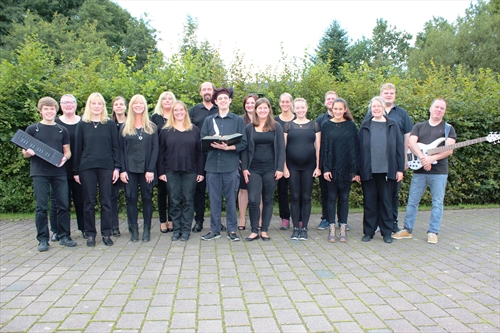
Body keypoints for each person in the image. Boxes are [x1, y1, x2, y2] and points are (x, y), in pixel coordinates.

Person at [393, 98, 456, 244]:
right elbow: (411, 143)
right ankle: (407, 230)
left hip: (439, 172)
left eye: (442, 108)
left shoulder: (448, 129)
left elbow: (449, 150)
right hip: (420, 171)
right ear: (430, 108)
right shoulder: (419, 126)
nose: (439, 110)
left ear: (444, 111)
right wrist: (423, 158)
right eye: (436, 107)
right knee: (412, 201)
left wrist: (431, 158)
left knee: (437, 202)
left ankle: (433, 232)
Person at [22, 97, 76, 252]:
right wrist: (28, 152)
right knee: (41, 207)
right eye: (46, 109)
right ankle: (43, 239)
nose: (49, 111)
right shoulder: (33, 129)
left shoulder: (62, 130)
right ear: (40, 111)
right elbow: (24, 152)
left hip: (59, 171)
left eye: (52, 109)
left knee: (64, 204)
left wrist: (65, 158)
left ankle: (64, 235)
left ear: (56, 110)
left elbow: (67, 151)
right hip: (39, 172)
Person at [364, 83, 413, 233]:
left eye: (391, 93)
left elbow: (406, 138)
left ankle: (392, 223)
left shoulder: (401, 114)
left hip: (392, 164)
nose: (389, 95)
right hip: (373, 166)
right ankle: (376, 225)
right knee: (374, 197)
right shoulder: (369, 115)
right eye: (386, 93)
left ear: (395, 95)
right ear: (381, 94)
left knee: (392, 195)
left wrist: (403, 160)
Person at [73, 92, 120, 247]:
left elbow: (115, 147)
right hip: (87, 167)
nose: (97, 106)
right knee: (89, 201)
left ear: (103, 106)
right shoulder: (82, 124)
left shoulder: (109, 124)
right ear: (89, 105)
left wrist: (117, 167)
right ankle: (91, 234)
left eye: (99, 104)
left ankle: (106, 234)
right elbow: (78, 148)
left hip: (107, 167)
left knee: (106, 201)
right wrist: (76, 171)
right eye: (94, 103)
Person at [200, 87, 247, 241]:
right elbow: (202, 142)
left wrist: (229, 146)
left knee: (231, 199)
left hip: (230, 166)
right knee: (214, 199)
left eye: (225, 98)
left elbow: (244, 143)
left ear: (230, 101)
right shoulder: (209, 120)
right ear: (216, 101)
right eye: (220, 99)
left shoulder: (238, 120)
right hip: (212, 166)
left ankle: (232, 230)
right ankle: (215, 230)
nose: (223, 101)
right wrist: (211, 143)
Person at [359, 96, 404, 244]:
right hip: (369, 171)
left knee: (386, 202)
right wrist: (358, 171)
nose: (376, 109)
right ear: (371, 109)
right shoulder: (365, 125)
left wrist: (399, 169)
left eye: (379, 106)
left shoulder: (393, 125)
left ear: (384, 107)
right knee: (370, 203)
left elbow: (399, 148)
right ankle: (369, 232)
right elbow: (359, 150)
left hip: (387, 171)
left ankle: (387, 233)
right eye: (374, 107)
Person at [158, 101, 205, 241]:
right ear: (172, 113)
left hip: (190, 171)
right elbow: (160, 153)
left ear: (185, 111)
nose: (179, 112)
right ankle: (176, 230)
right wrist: (161, 172)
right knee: (174, 200)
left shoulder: (194, 130)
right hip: (171, 171)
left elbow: (200, 153)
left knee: (188, 200)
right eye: (175, 110)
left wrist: (200, 172)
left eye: (181, 110)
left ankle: (186, 230)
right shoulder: (165, 131)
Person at [242, 98, 285, 242]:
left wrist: (280, 168)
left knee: (268, 199)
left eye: (265, 108)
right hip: (253, 169)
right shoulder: (249, 128)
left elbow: (281, 149)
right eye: (259, 108)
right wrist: (244, 168)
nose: (262, 110)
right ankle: (254, 230)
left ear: (269, 110)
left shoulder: (276, 126)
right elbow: (245, 150)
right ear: (255, 110)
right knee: (253, 200)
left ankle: (265, 230)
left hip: (270, 169)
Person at [119, 94, 158, 242]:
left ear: (145, 106)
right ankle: (133, 230)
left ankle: (147, 230)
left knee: (147, 198)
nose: (138, 105)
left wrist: (151, 169)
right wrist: (122, 170)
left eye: (141, 103)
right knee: (131, 199)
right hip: (129, 170)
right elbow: (120, 150)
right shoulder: (124, 127)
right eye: (135, 103)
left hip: (147, 170)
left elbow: (156, 149)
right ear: (131, 106)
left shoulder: (151, 127)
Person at [320, 98, 360, 243]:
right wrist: (325, 168)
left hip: (346, 169)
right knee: (331, 198)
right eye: (335, 109)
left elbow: (355, 149)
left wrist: (355, 171)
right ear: (332, 109)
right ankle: (331, 228)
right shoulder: (326, 125)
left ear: (345, 110)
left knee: (344, 199)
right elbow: (324, 149)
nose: (337, 111)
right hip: (331, 169)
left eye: (340, 109)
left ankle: (342, 227)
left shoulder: (351, 126)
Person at [283, 98, 320, 241]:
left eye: (302, 107)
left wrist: (318, 167)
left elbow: (318, 148)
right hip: (292, 167)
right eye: (297, 108)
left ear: (306, 108)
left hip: (309, 167)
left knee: (306, 197)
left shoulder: (314, 125)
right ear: (294, 109)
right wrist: (284, 167)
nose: (300, 110)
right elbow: (284, 148)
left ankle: (304, 228)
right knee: (294, 197)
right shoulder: (288, 126)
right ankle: (295, 228)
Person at [49, 94, 84, 241]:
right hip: (58, 169)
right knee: (57, 201)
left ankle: (84, 228)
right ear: (60, 106)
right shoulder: (54, 123)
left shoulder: (83, 122)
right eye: (64, 103)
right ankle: (57, 230)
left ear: (76, 105)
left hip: (80, 169)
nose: (68, 105)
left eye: (71, 102)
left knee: (81, 200)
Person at [189, 82, 219, 233]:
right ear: (200, 92)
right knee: (199, 190)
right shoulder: (193, 111)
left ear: (214, 92)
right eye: (204, 89)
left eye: (210, 89)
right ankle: (198, 221)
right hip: (198, 156)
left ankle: (217, 222)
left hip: (218, 155)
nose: (207, 92)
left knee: (217, 191)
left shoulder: (220, 109)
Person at [151, 91, 176, 233]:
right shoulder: (155, 118)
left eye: (170, 99)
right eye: (164, 99)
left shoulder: (177, 116)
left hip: (174, 160)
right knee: (162, 192)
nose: (167, 101)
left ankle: (172, 220)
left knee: (173, 192)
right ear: (160, 102)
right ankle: (162, 221)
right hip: (160, 159)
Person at [315, 91, 339, 230]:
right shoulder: (320, 120)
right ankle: (326, 219)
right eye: (328, 99)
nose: (330, 101)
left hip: (342, 162)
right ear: (325, 102)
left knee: (342, 192)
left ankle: (343, 220)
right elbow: (317, 144)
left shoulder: (347, 120)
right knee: (326, 192)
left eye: (333, 99)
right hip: (325, 162)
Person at [238, 93, 260, 230]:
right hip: (243, 162)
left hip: (260, 162)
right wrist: (240, 160)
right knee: (243, 190)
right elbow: (238, 142)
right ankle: (242, 219)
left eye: (252, 103)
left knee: (260, 192)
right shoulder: (240, 121)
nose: (250, 105)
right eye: (247, 103)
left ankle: (260, 220)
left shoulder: (265, 120)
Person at [273, 92, 295, 230]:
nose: (285, 104)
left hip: (296, 161)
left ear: (291, 103)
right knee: (282, 191)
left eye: (288, 102)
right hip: (280, 161)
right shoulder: (275, 121)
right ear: (280, 103)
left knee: (296, 192)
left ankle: (298, 218)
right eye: (283, 102)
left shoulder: (298, 119)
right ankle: (285, 218)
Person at [110, 96, 127, 237]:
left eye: (121, 104)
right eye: (116, 104)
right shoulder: (108, 123)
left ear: (126, 107)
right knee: (112, 197)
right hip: (113, 165)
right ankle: (114, 226)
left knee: (130, 196)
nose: (119, 106)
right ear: (113, 107)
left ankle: (132, 226)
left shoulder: (131, 123)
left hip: (128, 165)